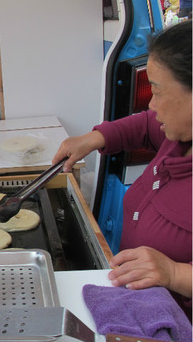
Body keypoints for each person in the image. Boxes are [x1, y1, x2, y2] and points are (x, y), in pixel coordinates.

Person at [52, 20, 192, 319]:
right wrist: (93, 138)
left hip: (171, 338)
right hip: (131, 302)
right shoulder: (179, 134)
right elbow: (144, 124)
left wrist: (176, 274)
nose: (152, 106)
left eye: (157, 91)